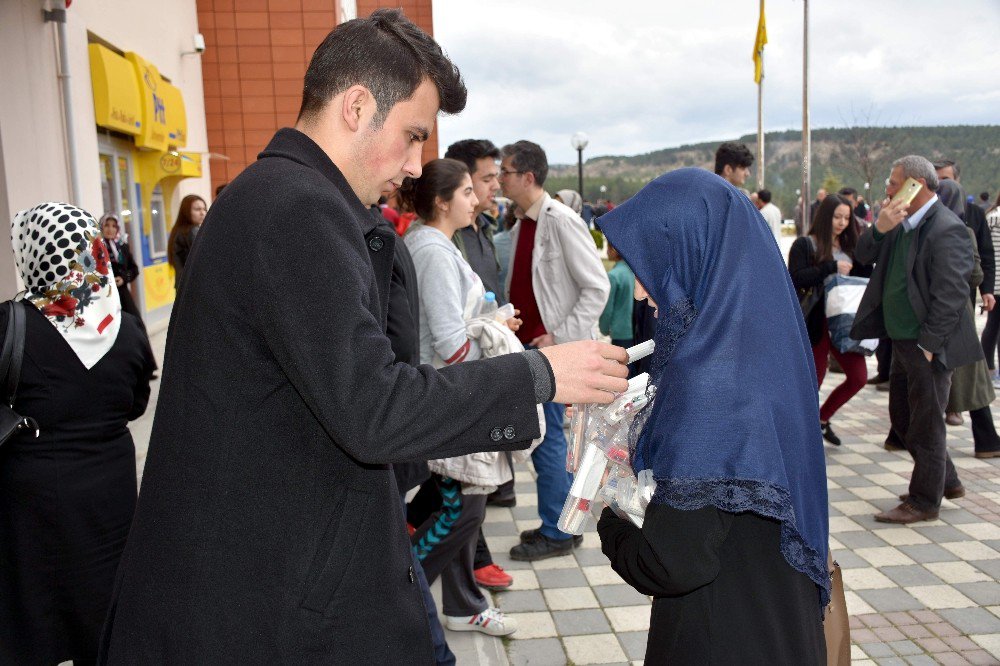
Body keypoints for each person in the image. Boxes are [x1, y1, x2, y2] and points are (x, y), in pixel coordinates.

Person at [97, 11, 629, 663]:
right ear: (355, 107)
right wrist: (540, 376)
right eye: (411, 136)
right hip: (269, 609)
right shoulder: (297, 210)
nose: (413, 166)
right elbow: (373, 407)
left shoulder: (277, 198)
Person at [596, 168, 829, 664]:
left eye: (650, 265)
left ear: (693, 256)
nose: (641, 292)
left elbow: (670, 563)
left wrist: (609, 514)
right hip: (778, 621)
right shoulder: (763, 352)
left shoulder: (709, 385)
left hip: (721, 637)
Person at [1, 203, 156, 665]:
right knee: (102, 605)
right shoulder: (125, 329)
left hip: (31, 495)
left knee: (33, 604)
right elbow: (136, 404)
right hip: (109, 493)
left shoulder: (11, 325)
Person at [402, 158, 523, 636]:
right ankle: (402, 602)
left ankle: (461, 604)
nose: (478, 200)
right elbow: (452, 347)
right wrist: (494, 329)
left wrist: (494, 321)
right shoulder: (430, 249)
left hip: (450, 394)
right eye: (469, 192)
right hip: (449, 395)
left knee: (463, 510)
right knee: (462, 510)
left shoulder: (433, 243)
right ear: (441, 200)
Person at [499, 139, 612, 561]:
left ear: (528, 177)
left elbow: (596, 286)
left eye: (506, 172)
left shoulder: (560, 220)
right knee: (548, 440)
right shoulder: (522, 222)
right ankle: (559, 524)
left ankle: (558, 531)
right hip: (529, 347)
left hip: (551, 353)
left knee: (547, 442)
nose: (501, 179)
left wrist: (557, 334)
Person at [852, 156, 980, 524]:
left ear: (916, 185)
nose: (887, 189)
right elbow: (864, 255)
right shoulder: (898, 223)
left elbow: (952, 293)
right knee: (905, 419)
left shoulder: (947, 228)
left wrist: (929, 344)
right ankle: (947, 480)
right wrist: (879, 227)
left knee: (926, 424)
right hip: (902, 340)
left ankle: (925, 501)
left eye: (894, 183)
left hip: (927, 344)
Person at [443, 138, 517, 587]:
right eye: (486, 179)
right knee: (462, 487)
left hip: (490, 354)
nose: (494, 187)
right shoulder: (446, 243)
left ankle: (465, 578)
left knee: (473, 487)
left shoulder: (481, 229)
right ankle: (468, 568)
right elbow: (451, 327)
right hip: (468, 370)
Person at [789, 194, 869, 446]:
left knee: (858, 377)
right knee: (814, 381)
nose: (843, 222)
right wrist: (831, 268)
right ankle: (802, 437)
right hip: (815, 321)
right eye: (837, 217)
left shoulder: (852, 246)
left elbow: (865, 277)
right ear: (825, 216)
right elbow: (796, 278)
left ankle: (822, 419)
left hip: (845, 321)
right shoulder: (806, 244)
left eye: (847, 217)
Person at [936, 180, 1000, 460]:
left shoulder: (926, 229)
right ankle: (987, 440)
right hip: (957, 313)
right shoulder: (962, 230)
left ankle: (987, 440)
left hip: (938, 315)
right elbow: (975, 273)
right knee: (969, 380)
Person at [443, 139, 504, 302]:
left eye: (496, 177)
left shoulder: (487, 226)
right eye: (487, 179)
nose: (496, 186)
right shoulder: (441, 237)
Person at [100, 213, 141, 319]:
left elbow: (134, 269)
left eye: (114, 226)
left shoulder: (122, 247)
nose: (110, 229)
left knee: (135, 325)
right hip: (105, 298)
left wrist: (123, 279)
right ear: (101, 227)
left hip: (123, 295)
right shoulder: (96, 249)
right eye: (107, 225)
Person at [166, 193, 207, 291]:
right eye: (197, 209)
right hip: (194, 287)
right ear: (186, 212)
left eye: (204, 209)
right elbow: (204, 259)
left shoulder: (178, 230)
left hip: (184, 285)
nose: (202, 213)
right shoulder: (192, 231)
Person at [599, 242, 635, 351]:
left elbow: (608, 307)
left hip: (620, 331)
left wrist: (604, 328)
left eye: (608, 248)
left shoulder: (613, 276)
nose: (606, 252)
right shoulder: (634, 273)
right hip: (636, 330)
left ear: (614, 250)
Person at [983, 192, 1000, 387]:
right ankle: (991, 369)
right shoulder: (995, 218)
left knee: (992, 325)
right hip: (997, 281)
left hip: (993, 282)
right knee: (994, 325)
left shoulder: (991, 216)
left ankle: (988, 367)